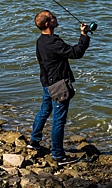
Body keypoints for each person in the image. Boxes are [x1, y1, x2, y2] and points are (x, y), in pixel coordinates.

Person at [27, 10, 91, 165]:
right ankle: (58, 155)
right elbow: (76, 53)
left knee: (44, 111)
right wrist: (84, 35)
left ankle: (34, 141)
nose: (56, 18)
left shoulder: (40, 41)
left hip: (47, 84)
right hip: (58, 85)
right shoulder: (53, 42)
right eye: (53, 17)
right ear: (48, 23)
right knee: (58, 121)